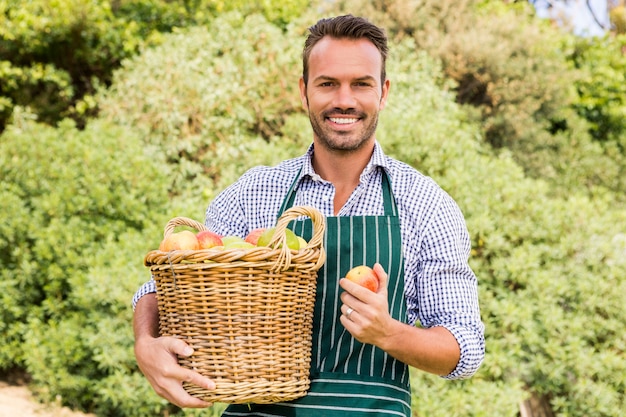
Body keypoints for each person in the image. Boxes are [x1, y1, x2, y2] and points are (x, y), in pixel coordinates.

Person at [132, 14, 485, 417]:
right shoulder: (252, 193)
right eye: (328, 83)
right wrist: (145, 343)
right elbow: (172, 282)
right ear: (304, 92)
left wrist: (389, 333)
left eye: (361, 84)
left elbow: (464, 348)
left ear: (383, 92)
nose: (345, 100)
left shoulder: (426, 204)